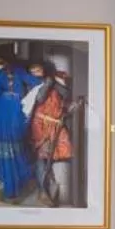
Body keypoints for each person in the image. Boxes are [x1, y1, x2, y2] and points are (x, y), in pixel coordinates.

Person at [0, 53, 37, 201]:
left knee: (5, 148)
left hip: (3, 112)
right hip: (17, 111)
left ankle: (11, 188)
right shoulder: (18, 71)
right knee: (17, 145)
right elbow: (37, 82)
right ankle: (21, 180)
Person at [28, 64, 81, 206]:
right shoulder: (41, 87)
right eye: (33, 71)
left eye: (38, 70)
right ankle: (43, 192)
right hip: (41, 125)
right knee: (42, 157)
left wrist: (73, 107)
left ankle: (50, 186)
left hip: (55, 126)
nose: (35, 73)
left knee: (53, 158)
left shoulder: (58, 90)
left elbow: (62, 110)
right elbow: (39, 100)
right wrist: (48, 83)